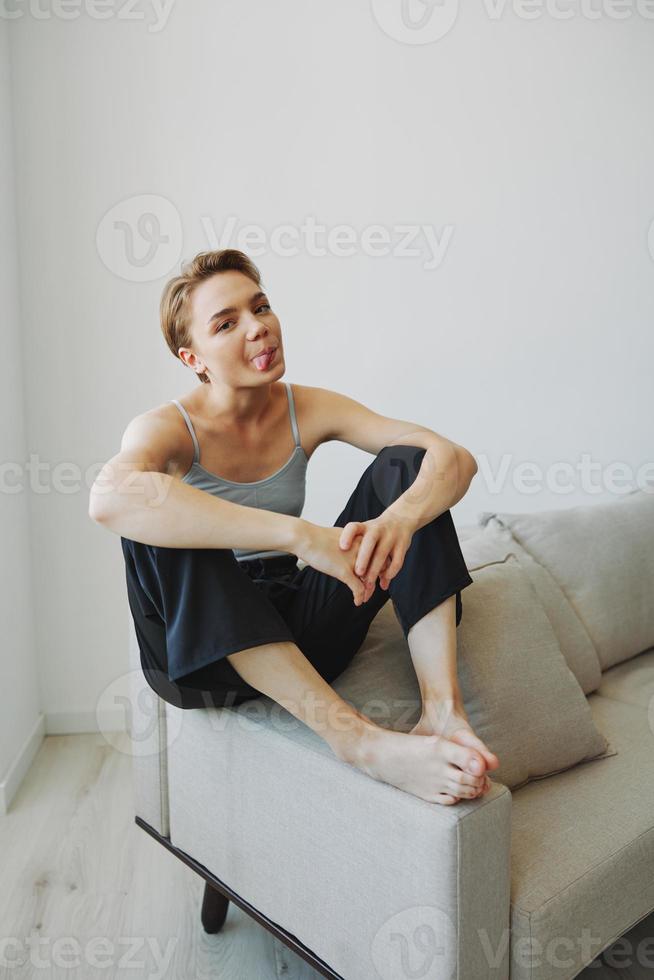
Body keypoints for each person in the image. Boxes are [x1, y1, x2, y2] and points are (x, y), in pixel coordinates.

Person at [89, 248, 500, 806]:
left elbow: (452, 458)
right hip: (200, 657)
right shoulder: (166, 428)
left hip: (295, 628)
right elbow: (108, 498)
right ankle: (359, 743)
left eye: (261, 308)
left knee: (404, 465)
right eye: (227, 323)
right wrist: (301, 535)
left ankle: (443, 715)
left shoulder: (305, 407)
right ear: (194, 358)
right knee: (162, 517)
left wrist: (400, 519)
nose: (258, 328)